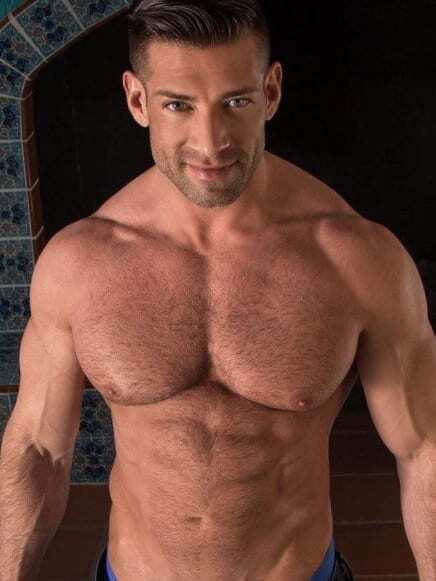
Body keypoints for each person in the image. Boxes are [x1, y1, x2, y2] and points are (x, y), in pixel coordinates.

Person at [1, 0, 435, 579]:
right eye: (178, 105)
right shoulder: (80, 264)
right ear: (137, 101)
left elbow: (425, 448)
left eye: (236, 102)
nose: (210, 144)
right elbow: (38, 448)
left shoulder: (357, 259)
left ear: (270, 92)